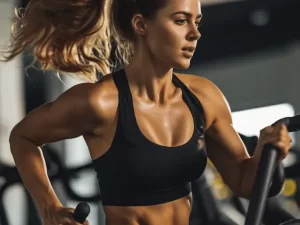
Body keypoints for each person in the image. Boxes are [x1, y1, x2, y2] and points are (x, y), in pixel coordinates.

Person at [2, 0, 292, 225]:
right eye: (180, 21)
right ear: (141, 25)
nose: (195, 34)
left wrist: (269, 154)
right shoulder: (101, 102)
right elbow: (23, 137)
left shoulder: (204, 98)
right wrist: (49, 207)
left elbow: (243, 182)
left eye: (197, 22)